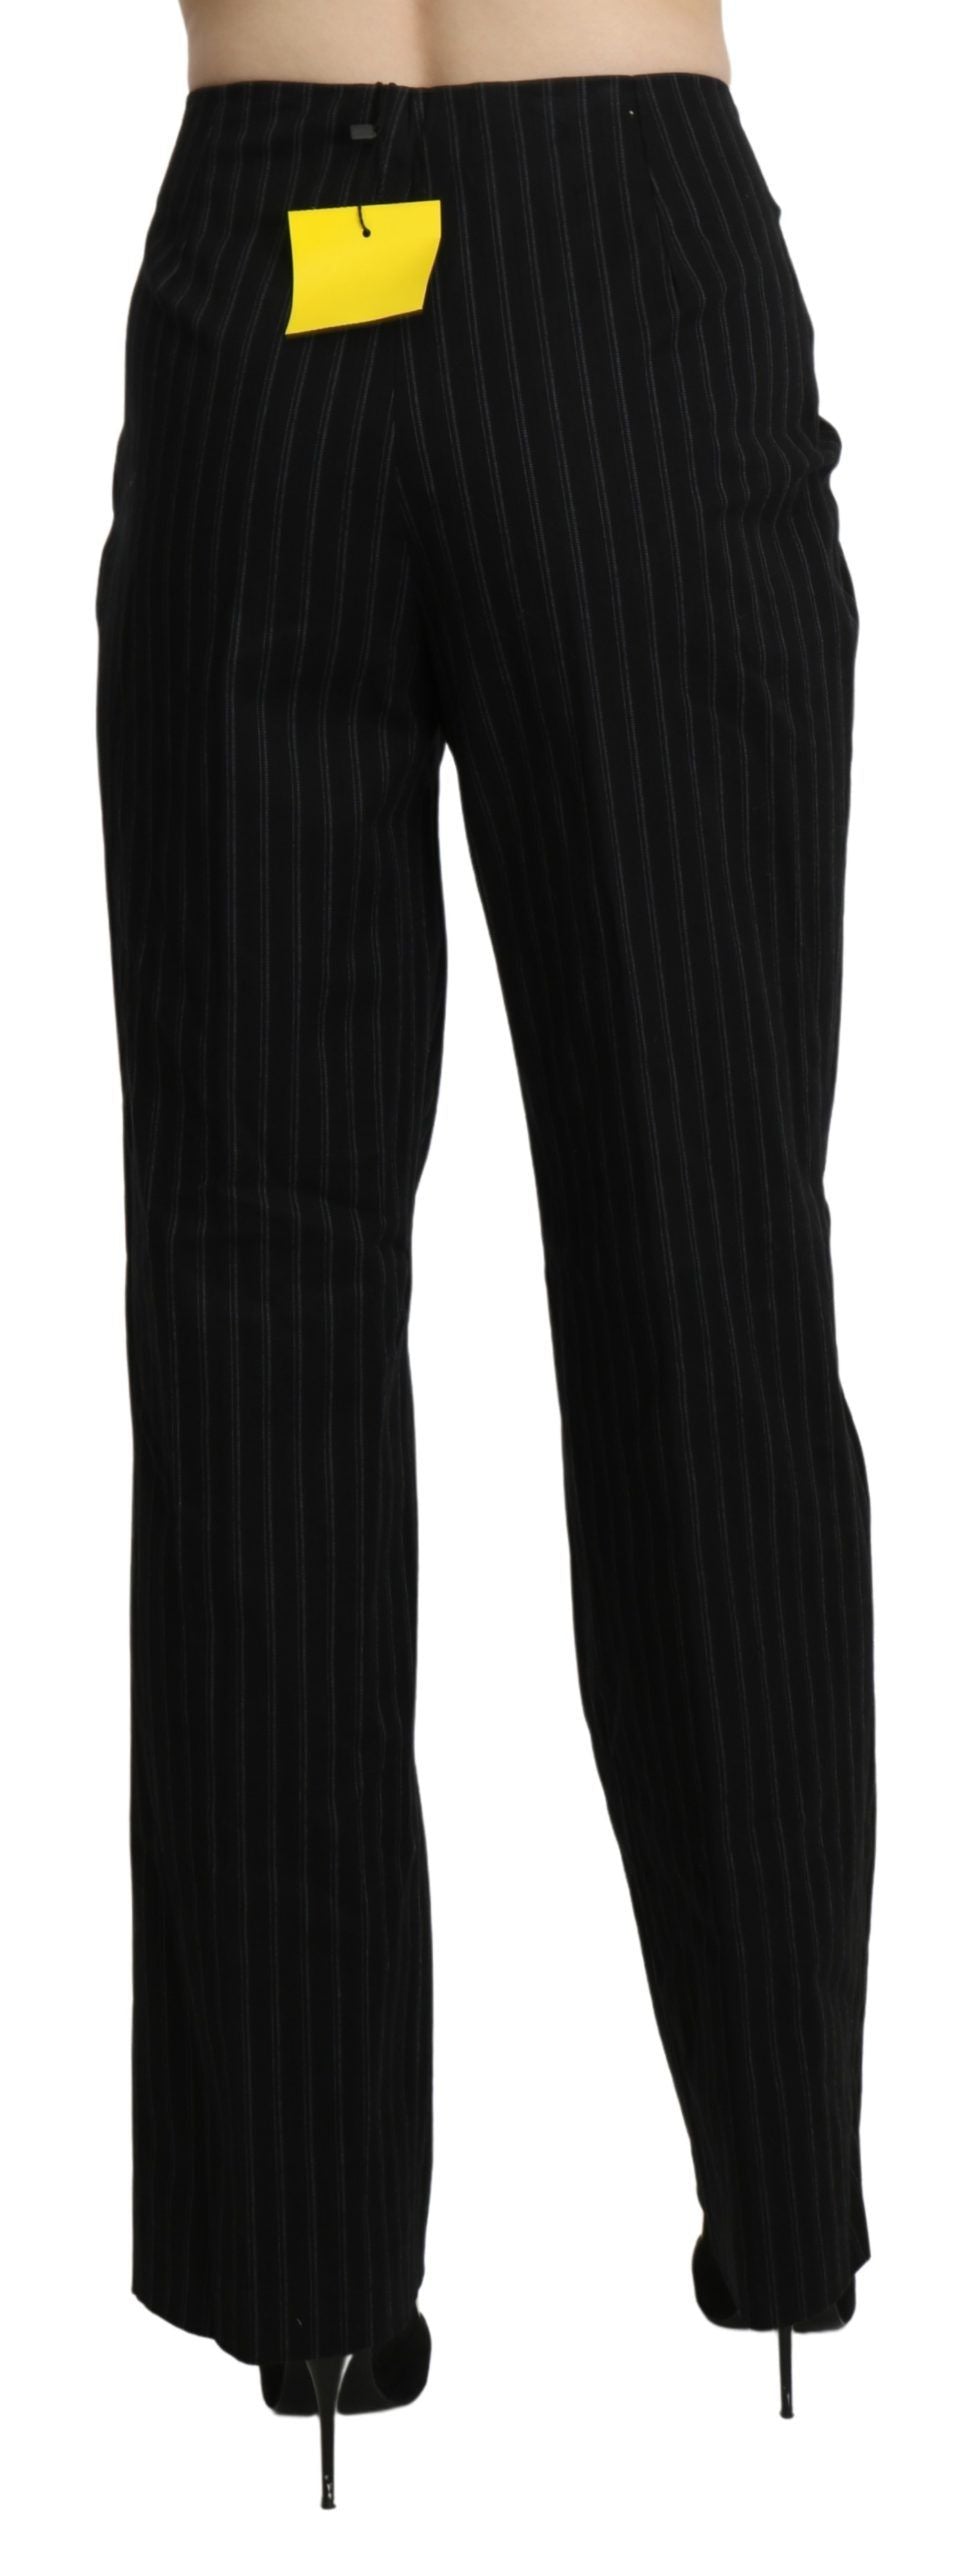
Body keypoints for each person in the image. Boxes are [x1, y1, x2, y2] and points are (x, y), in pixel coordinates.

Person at [94, 0, 876, 2504]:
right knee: (700, 1260)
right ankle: (781, 2217)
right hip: (609, 250)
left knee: (260, 1288)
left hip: (269, 262)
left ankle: (313, 2270)